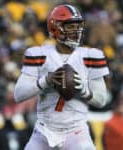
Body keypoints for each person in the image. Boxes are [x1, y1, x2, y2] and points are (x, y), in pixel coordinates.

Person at [14, 4, 109, 150]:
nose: (76, 31)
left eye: (78, 26)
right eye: (70, 26)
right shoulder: (38, 54)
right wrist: (45, 81)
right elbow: (19, 94)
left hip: (76, 131)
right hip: (44, 130)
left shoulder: (92, 56)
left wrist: (85, 91)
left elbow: (102, 100)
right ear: (54, 28)